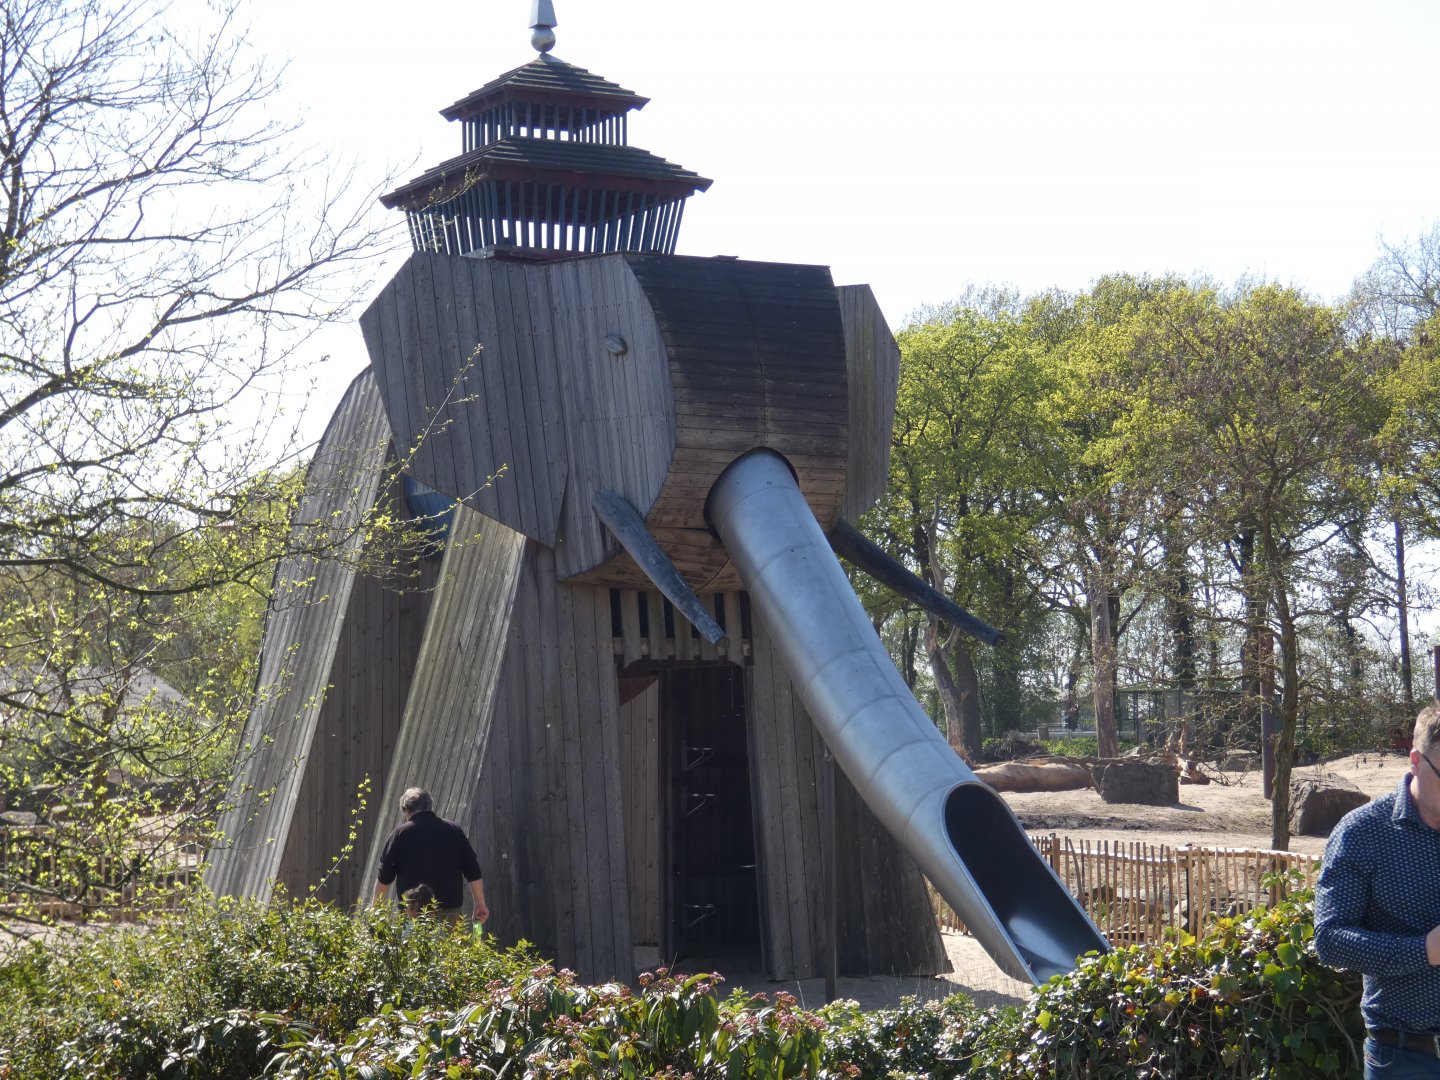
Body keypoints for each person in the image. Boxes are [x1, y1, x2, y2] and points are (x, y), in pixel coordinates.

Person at [1315, 703, 1440, 1077]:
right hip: (1404, 1058)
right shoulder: (1363, 833)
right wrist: (1423, 951)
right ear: (1415, 761)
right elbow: (1331, 938)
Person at [374, 787, 489, 925]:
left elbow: (384, 876)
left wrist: (376, 911)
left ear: (405, 809)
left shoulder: (399, 834)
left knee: (413, 947)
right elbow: (472, 870)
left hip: (413, 913)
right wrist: (480, 903)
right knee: (451, 947)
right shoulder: (453, 830)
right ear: (429, 806)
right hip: (450, 912)